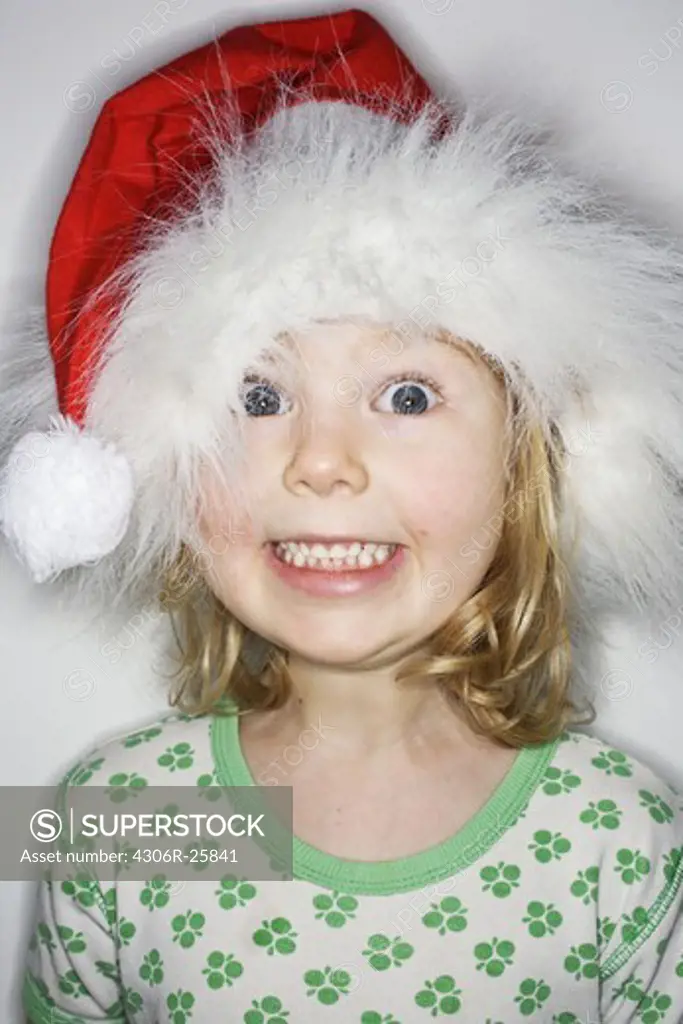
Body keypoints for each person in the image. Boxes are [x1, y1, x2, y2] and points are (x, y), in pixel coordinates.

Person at [2, 8, 682, 1023]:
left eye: (406, 396)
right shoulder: (116, 814)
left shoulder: (620, 834)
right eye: (258, 397)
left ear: (523, 463)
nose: (319, 462)